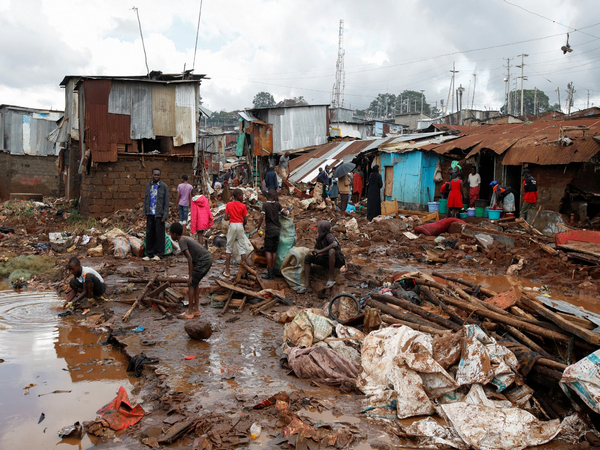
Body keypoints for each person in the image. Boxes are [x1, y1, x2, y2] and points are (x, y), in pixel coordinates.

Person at [169, 222, 213, 319]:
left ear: (175, 234)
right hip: (207, 258)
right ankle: (196, 310)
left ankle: (190, 312)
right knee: (195, 283)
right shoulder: (186, 238)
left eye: (170, 233)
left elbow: (189, 258)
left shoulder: (181, 241)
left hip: (203, 259)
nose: (170, 235)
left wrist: (190, 276)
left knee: (191, 284)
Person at [298, 220, 345, 293]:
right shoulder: (319, 237)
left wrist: (320, 251)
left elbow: (334, 244)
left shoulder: (329, 236)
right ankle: (307, 285)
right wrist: (315, 253)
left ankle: (331, 278)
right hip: (326, 259)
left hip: (337, 260)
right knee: (308, 258)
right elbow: (316, 248)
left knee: (331, 251)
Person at [255, 189, 290, 279]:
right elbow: (285, 214)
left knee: (268, 251)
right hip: (277, 230)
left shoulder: (265, 205)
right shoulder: (277, 204)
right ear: (274, 197)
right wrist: (288, 212)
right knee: (274, 252)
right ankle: (273, 271)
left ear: (268, 196)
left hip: (269, 230)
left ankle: (269, 273)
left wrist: (258, 227)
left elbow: (262, 216)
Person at [143, 168, 169, 261]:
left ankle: (159, 254)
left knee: (159, 234)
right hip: (150, 213)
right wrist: (145, 212)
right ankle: (149, 253)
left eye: (158, 175)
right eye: (155, 175)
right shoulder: (148, 186)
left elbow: (166, 202)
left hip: (159, 214)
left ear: (160, 176)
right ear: (152, 175)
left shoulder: (164, 187)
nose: (156, 176)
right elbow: (146, 200)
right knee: (149, 234)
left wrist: (165, 215)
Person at [223, 188, 248, 278]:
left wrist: (231, 216)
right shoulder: (243, 206)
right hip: (240, 225)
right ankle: (244, 271)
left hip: (232, 225)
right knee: (242, 248)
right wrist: (242, 223)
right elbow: (245, 220)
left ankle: (227, 271)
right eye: (242, 195)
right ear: (238, 196)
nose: (243, 197)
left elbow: (226, 218)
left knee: (229, 247)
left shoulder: (229, 204)